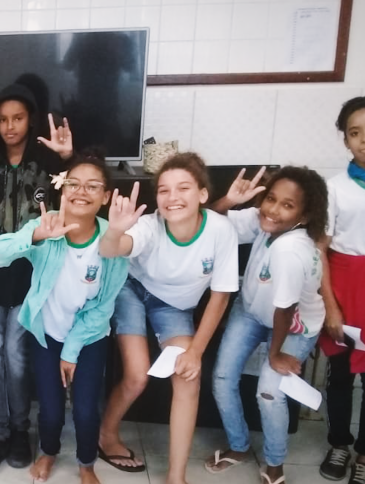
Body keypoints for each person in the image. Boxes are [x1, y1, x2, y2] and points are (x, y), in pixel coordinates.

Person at [0, 155, 129, 484]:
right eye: (74, 184)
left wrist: (72, 351)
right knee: (49, 408)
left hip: (89, 338)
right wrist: (33, 235)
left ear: (105, 196)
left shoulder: (113, 239)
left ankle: (86, 464)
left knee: (85, 409)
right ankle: (48, 453)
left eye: (93, 186)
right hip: (47, 335)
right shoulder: (48, 225)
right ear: (62, 189)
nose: (82, 192)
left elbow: (103, 306)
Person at [98, 153, 239, 483]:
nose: (172, 197)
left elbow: (220, 295)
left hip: (173, 306)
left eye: (183, 188)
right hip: (131, 288)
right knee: (137, 376)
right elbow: (110, 251)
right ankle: (106, 434)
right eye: (164, 190)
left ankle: (176, 477)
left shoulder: (221, 230)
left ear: (202, 195)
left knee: (189, 376)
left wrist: (195, 352)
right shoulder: (150, 225)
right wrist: (115, 231)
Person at [0, 83, 73, 476]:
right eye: (3, 119)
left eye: (18, 118)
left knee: (16, 355)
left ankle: (18, 431)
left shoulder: (50, 168)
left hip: (32, 279)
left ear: (30, 120)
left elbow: (83, 195)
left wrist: (68, 157)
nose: (10, 126)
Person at [204, 166, 328, 484]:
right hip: (251, 309)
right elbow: (206, 221)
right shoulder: (264, 220)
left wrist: (275, 355)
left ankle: (275, 464)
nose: (272, 209)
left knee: (270, 393)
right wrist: (230, 200)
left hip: (295, 323)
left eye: (287, 205)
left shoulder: (292, 250)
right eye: (271, 198)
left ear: (305, 214)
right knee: (222, 377)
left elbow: (284, 310)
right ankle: (239, 446)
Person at [318, 96, 365, 484]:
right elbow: (321, 250)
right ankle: (339, 442)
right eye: (355, 133)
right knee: (340, 374)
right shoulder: (335, 188)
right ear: (345, 140)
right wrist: (330, 306)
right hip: (344, 287)